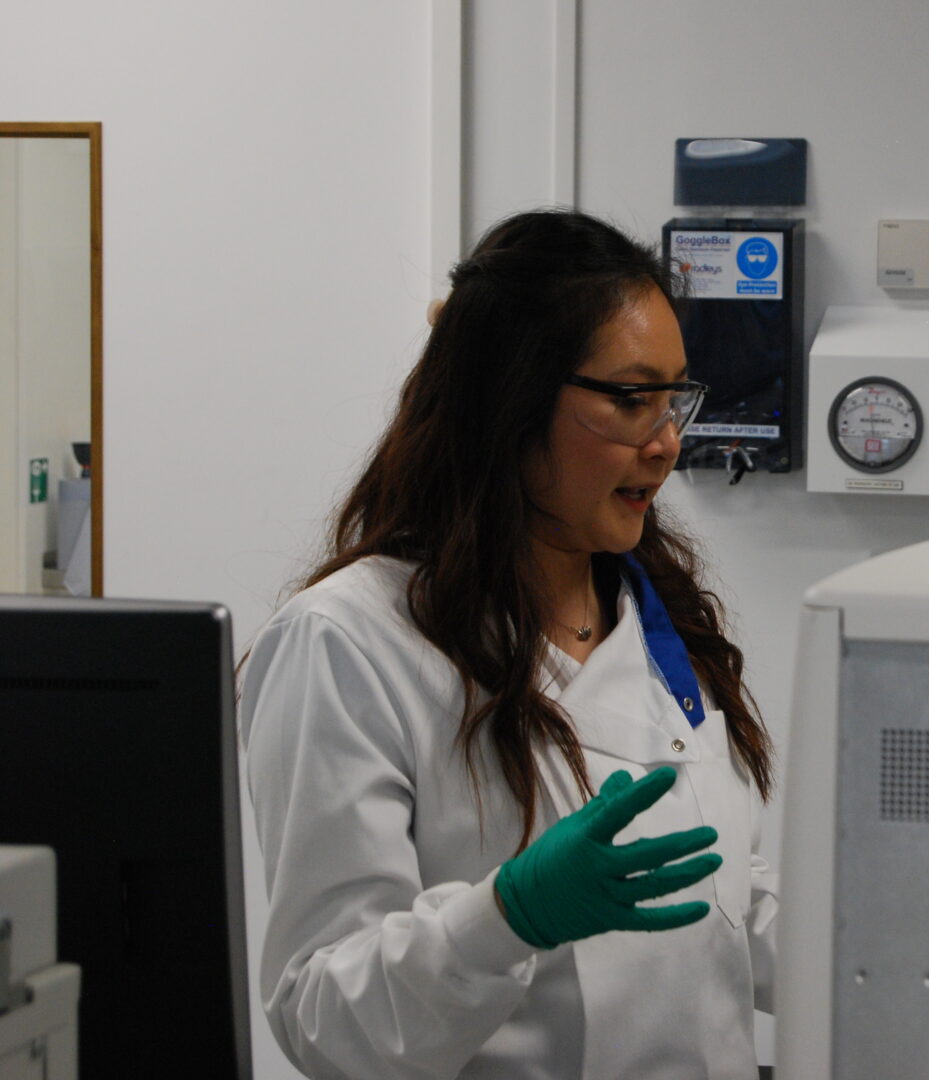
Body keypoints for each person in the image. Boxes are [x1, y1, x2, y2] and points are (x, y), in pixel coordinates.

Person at [237, 209, 777, 1079]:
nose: (667, 441)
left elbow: (715, 890)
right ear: (511, 401)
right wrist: (508, 917)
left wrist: (889, 942)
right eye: (631, 398)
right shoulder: (346, 643)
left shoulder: (657, 614)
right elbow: (324, 1016)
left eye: (676, 397)